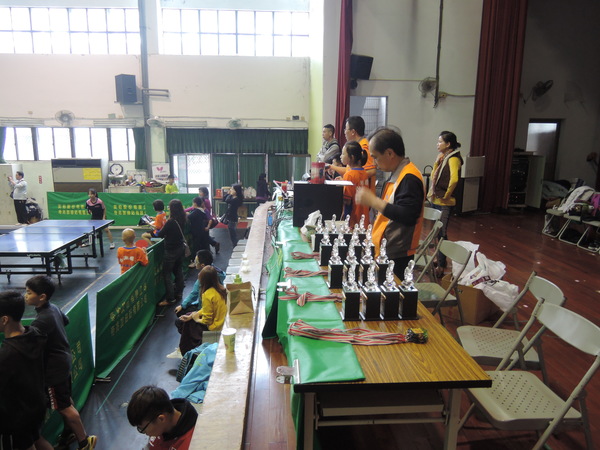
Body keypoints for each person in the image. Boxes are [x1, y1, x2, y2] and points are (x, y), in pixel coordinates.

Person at [25, 275, 97, 450]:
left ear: (42, 297)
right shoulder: (54, 308)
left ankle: (85, 442)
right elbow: (66, 320)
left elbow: (29, 346)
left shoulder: (41, 320)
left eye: (29, 292)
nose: (25, 296)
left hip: (53, 371)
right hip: (64, 362)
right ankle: (69, 432)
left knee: (64, 407)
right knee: (65, 400)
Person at [355, 127, 425, 278]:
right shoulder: (398, 174)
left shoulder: (409, 178)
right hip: (387, 248)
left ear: (390, 153)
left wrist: (374, 201)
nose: (374, 163)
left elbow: (408, 215)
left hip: (398, 253)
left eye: (375, 157)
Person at [0, 290, 47, 450]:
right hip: (36, 405)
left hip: (16, 417)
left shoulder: (7, 355)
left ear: (4, 319)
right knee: (36, 440)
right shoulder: (35, 334)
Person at [427, 131, 464, 277]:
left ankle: (442, 264)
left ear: (448, 144)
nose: (437, 144)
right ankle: (439, 259)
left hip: (444, 202)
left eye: (440, 142)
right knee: (437, 232)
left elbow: (454, 180)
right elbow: (433, 176)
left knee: (441, 233)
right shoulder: (443, 158)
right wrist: (437, 162)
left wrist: (446, 195)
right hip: (437, 199)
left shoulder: (453, 159)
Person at [176, 266, 227, 355]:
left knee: (184, 324)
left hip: (215, 327)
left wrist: (196, 319)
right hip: (221, 322)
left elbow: (207, 320)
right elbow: (208, 308)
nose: (198, 274)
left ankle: (189, 351)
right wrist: (192, 315)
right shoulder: (220, 289)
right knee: (188, 316)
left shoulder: (207, 294)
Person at [127, 385, 197, 450]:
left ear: (161, 419)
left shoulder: (191, 444)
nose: (146, 434)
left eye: (143, 429)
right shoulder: (160, 425)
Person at [328, 117, 377, 195]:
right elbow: (351, 171)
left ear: (353, 132)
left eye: (346, 129)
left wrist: (348, 180)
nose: (344, 132)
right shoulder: (357, 146)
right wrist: (331, 167)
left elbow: (371, 171)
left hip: (364, 196)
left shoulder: (364, 147)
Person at [157, 199, 187, 307]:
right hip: (180, 248)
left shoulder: (171, 221)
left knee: (167, 274)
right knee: (178, 271)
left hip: (171, 250)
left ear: (172, 209)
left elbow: (160, 234)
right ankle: (179, 293)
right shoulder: (183, 218)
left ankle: (170, 299)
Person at [341, 141, 371, 228]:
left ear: (352, 157)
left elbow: (347, 200)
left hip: (353, 221)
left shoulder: (349, 175)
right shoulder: (364, 172)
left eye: (343, 154)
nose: (341, 156)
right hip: (364, 219)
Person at [187, 197, 210, 268]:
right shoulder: (202, 211)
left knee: (196, 247)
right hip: (201, 231)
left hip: (196, 232)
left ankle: (195, 262)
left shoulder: (196, 212)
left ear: (195, 203)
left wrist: (187, 214)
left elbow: (189, 217)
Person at [197, 187, 220, 254]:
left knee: (204, 236)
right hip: (205, 220)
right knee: (205, 236)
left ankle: (213, 246)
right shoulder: (206, 200)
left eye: (200, 192)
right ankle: (214, 245)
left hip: (205, 221)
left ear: (204, 193)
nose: (199, 193)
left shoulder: (205, 201)